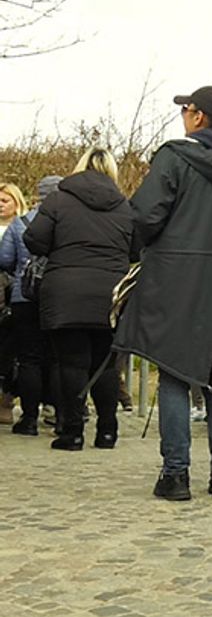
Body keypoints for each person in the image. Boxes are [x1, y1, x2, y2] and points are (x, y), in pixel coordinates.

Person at [114, 85, 212, 500]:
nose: (183, 115)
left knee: (176, 371)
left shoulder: (175, 157)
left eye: (187, 109)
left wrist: (143, 250)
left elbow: (144, 216)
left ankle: (176, 474)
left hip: (176, 275)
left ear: (198, 117)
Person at [23, 148, 134, 451]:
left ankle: (72, 432)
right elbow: (137, 248)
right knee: (105, 364)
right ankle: (108, 431)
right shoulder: (124, 206)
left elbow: (33, 238)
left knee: (71, 363)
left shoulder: (59, 199)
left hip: (65, 290)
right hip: (111, 292)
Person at [0, 179, 51, 431]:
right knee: (58, 357)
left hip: (25, 296)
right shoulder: (68, 222)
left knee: (29, 358)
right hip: (57, 296)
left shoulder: (20, 223)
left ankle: (29, 418)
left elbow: (5, 258)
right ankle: (60, 413)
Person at [0, 182, 30, 424]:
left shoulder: (23, 226)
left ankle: (8, 399)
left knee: (13, 350)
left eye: (5, 200)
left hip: (13, 295)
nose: (0, 205)